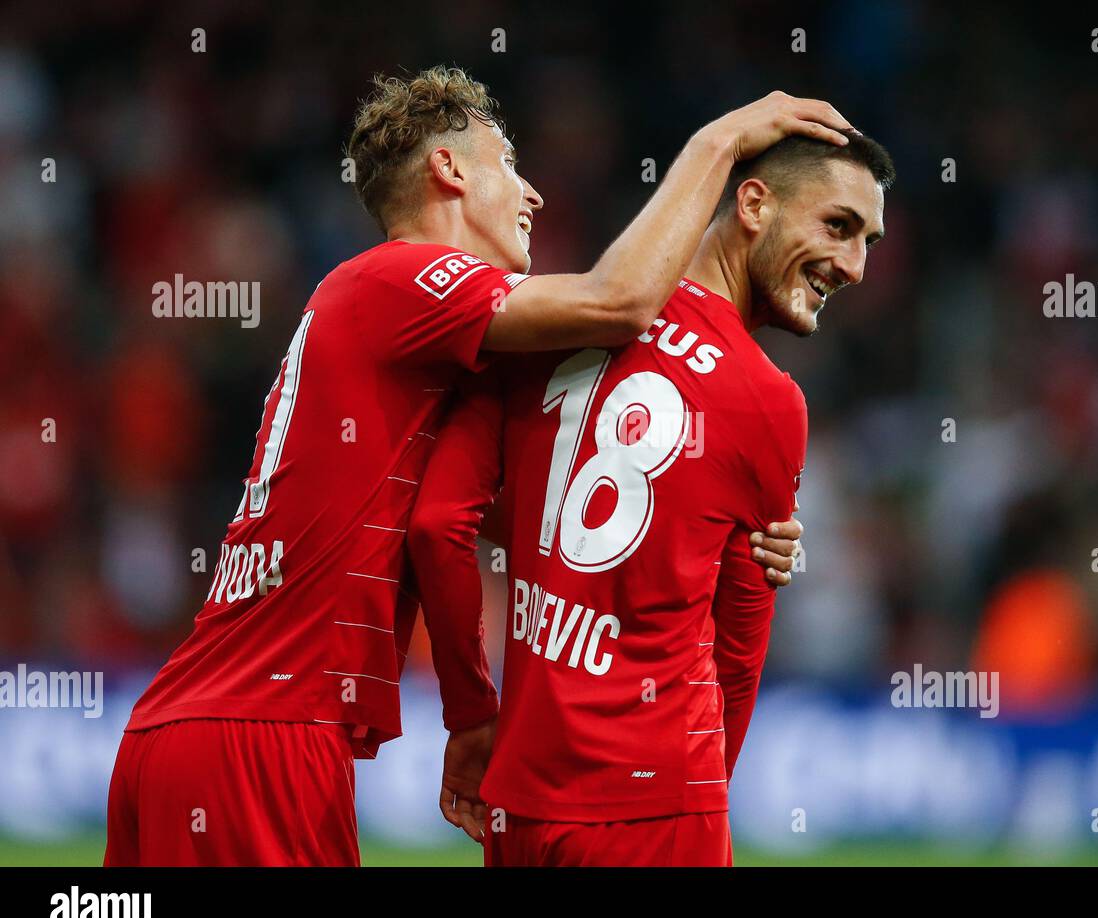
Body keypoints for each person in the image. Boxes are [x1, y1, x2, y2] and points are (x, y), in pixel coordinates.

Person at [103, 65, 843, 866]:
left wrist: (740, 532)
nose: (533, 196)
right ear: (450, 172)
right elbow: (618, 300)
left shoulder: (392, 320)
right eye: (511, 167)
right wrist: (718, 142)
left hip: (196, 725)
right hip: (264, 735)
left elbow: (498, 512)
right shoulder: (410, 275)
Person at [408, 129, 894, 865]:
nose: (856, 265)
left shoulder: (541, 324)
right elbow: (738, 650)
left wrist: (472, 713)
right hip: (658, 803)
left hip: (523, 802)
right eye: (838, 226)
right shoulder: (768, 403)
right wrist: (699, 805)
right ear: (754, 204)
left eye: (869, 240)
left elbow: (441, 524)